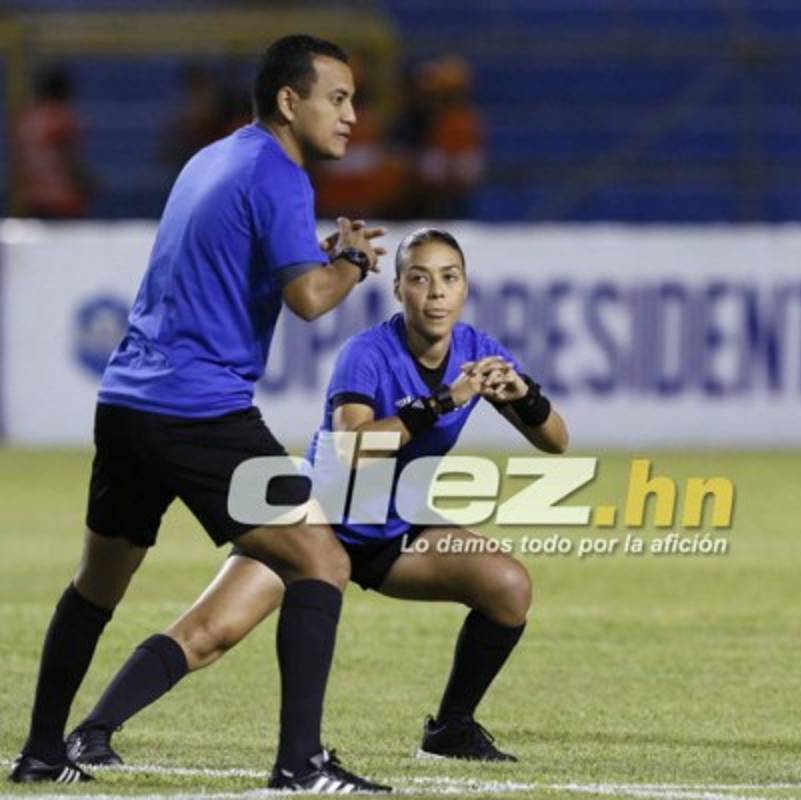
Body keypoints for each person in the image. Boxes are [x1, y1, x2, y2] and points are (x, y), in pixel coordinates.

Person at [9, 34, 391, 792]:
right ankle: (301, 766)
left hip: (128, 403)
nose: (351, 114)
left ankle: (43, 752)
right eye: (338, 98)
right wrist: (350, 261)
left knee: (97, 585)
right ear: (290, 100)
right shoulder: (281, 175)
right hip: (199, 411)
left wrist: (318, 255)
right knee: (322, 561)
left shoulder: (214, 158)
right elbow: (309, 300)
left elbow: (232, 263)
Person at [64, 227, 568, 766]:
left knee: (508, 587)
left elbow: (556, 441)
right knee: (212, 632)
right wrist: (444, 401)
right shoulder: (367, 352)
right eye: (420, 278)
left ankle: (450, 730)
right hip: (313, 525)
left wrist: (526, 396)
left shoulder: (477, 352)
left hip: (393, 531)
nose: (436, 292)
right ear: (398, 288)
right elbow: (354, 447)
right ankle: (92, 731)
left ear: (465, 287)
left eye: (450, 277)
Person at [15, 66, 92, 218]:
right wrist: (86, 184)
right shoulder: (61, 118)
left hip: (34, 199)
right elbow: (69, 160)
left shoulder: (28, 118)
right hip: (64, 201)